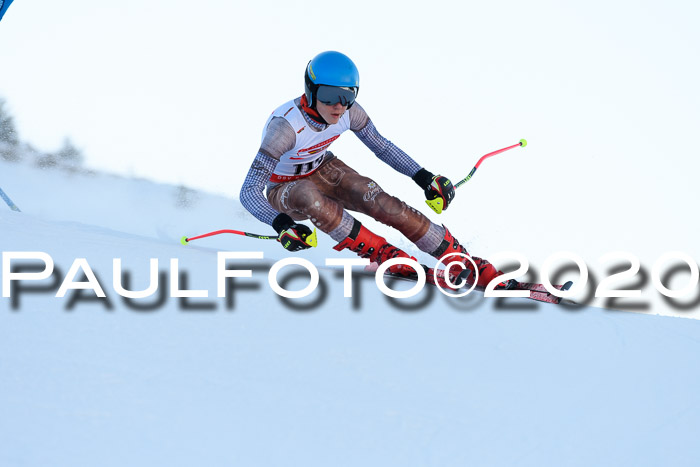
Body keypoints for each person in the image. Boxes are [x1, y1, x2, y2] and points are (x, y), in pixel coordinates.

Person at [240, 51, 515, 289]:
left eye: (347, 96)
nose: (338, 105)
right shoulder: (284, 128)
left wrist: (424, 177)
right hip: (284, 189)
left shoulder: (349, 111)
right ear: (310, 91)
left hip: (325, 168)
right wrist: (282, 224)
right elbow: (249, 191)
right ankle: (386, 256)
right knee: (307, 195)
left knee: (376, 198)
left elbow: (381, 146)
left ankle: (463, 262)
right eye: (328, 95)